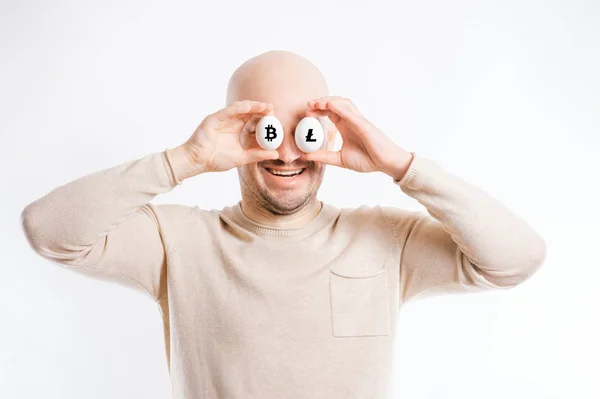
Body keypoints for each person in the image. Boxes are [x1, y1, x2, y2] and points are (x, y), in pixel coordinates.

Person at [20, 50, 547, 399]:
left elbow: (516, 259)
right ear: (238, 130)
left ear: (330, 130)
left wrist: (399, 165)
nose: (288, 151)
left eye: (306, 128)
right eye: (268, 129)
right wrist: (185, 159)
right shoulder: (177, 243)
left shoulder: (385, 241)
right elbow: (48, 231)